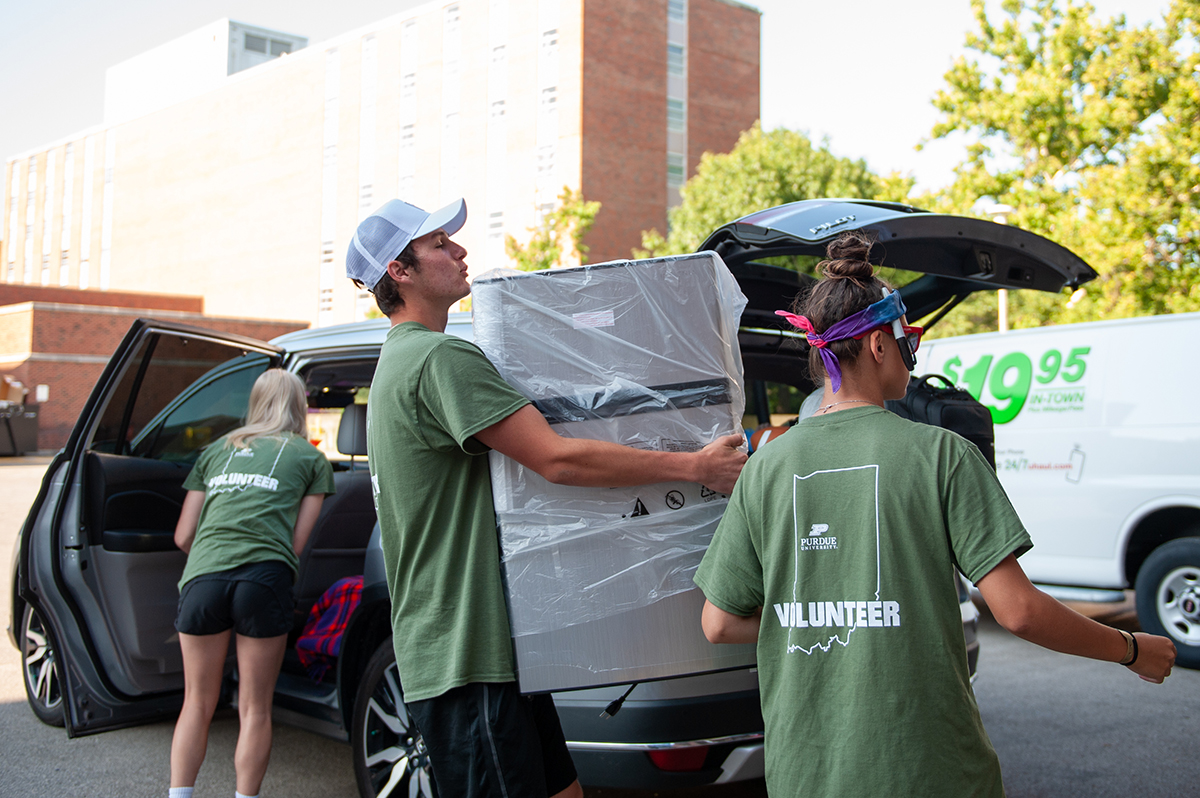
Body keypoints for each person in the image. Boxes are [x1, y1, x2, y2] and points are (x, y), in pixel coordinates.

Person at [693, 231, 1176, 798]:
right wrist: (1132, 650)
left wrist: (823, 615)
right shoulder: (943, 454)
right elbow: (1018, 612)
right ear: (877, 344)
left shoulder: (766, 470)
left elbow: (719, 623)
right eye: (909, 340)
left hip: (806, 775)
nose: (914, 355)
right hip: (929, 772)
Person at [345, 197, 747, 798]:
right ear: (399, 273)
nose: (459, 251)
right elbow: (556, 458)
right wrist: (696, 466)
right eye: (438, 245)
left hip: (476, 652)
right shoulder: (438, 357)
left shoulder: (397, 363)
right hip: (466, 656)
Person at [169, 369, 336, 798]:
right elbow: (297, 544)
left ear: (255, 402)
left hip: (204, 577)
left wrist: (217, 561)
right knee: (255, 708)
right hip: (263, 579)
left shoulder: (217, 450)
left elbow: (183, 535)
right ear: (300, 405)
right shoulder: (310, 458)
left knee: (197, 703)